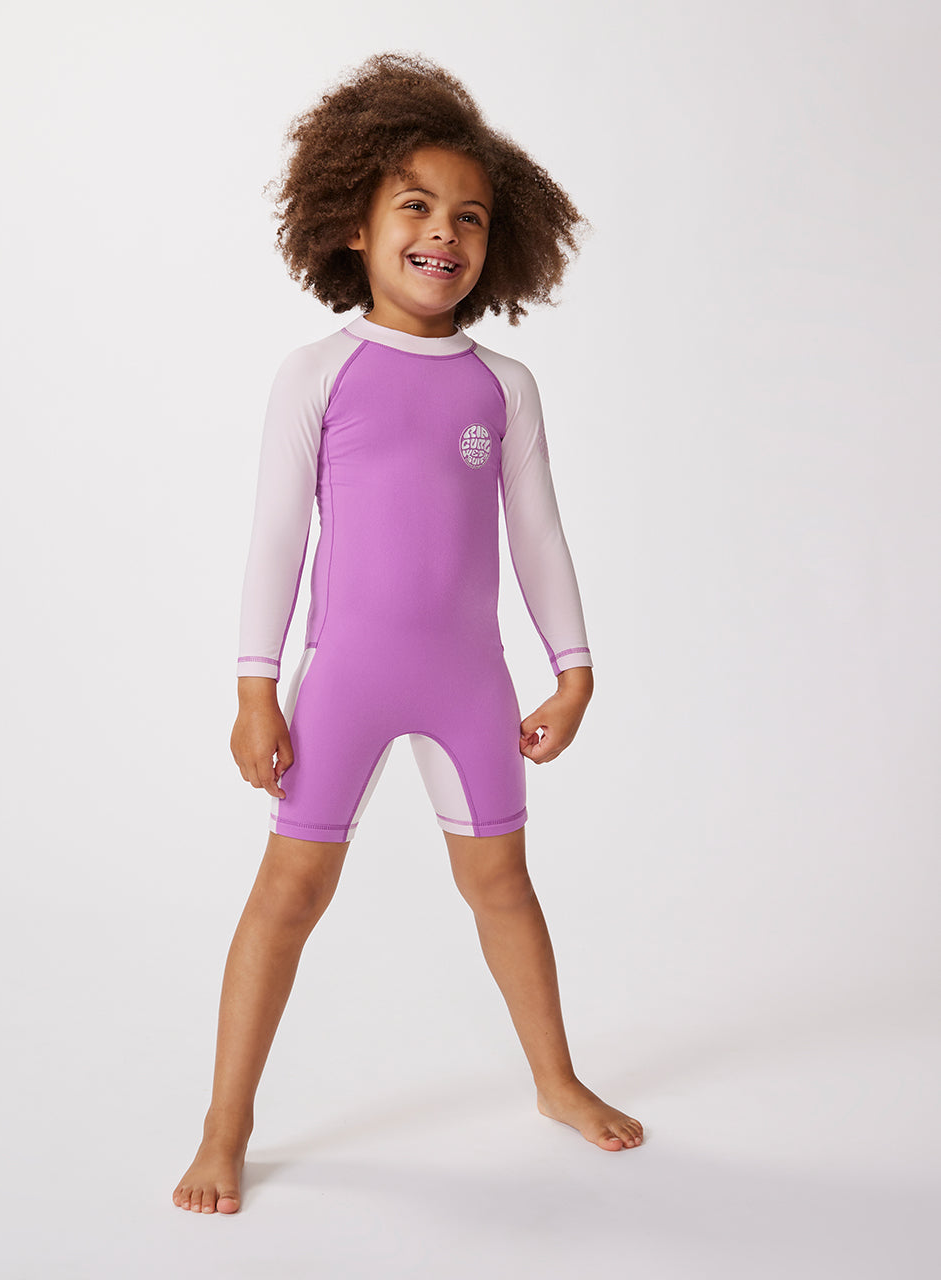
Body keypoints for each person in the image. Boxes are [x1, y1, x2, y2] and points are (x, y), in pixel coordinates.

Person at [173, 51, 644, 1215]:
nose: (443, 233)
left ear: (497, 243)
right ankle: (225, 1124)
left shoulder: (504, 386)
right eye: (416, 207)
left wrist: (574, 668)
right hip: (345, 681)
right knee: (289, 890)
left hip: (471, 683)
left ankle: (555, 1079)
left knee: (503, 884)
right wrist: (254, 686)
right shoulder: (319, 372)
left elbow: (537, 531)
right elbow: (277, 533)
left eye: (468, 217)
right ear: (354, 223)